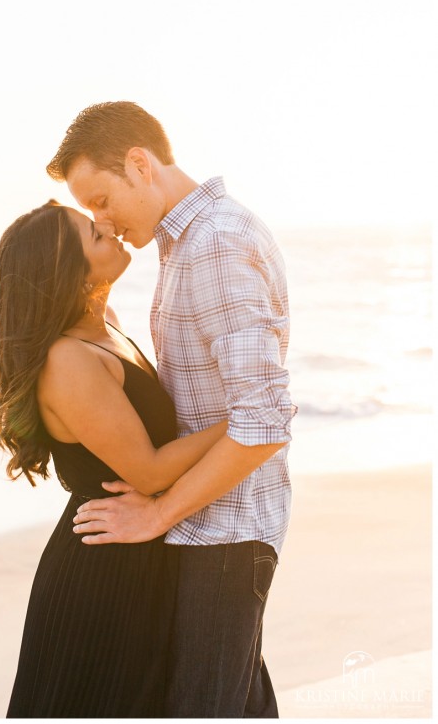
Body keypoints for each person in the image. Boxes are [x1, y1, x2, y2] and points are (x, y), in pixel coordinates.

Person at [46, 101, 297, 718]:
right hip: (213, 523)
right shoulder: (186, 241)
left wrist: (158, 513)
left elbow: (264, 420)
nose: (100, 219)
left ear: (139, 164)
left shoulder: (215, 242)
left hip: (226, 528)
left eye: (102, 199)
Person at [0, 200, 231, 717]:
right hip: (106, 568)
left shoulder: (107, 326)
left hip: (141, 543)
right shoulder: (67, 359)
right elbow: (149, 469)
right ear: (71, 274)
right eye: (92, 235)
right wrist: (243, 422)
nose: (107, 228)